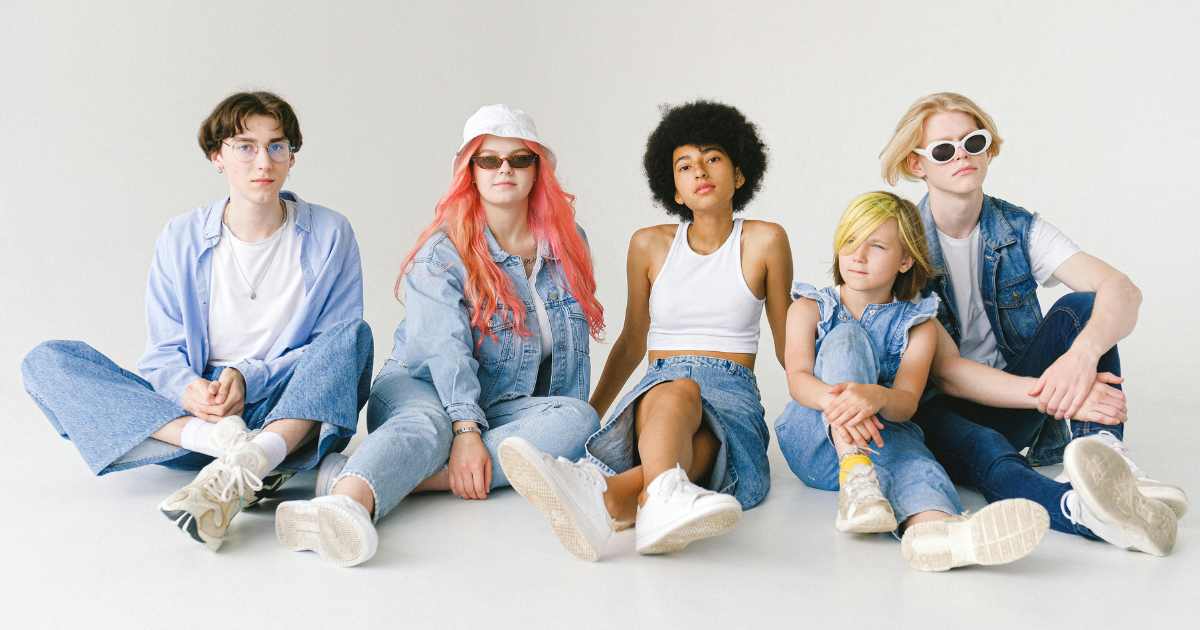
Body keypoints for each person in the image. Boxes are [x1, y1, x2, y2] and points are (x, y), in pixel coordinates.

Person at [21, 91, 372, 550]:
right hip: (203, 418)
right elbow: (162, 352)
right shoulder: (181, 237)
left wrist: (249, 376)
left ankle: (252, 460)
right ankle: (236, 452)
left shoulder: (330, 233)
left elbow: (332, 345)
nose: (262, 160)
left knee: (354, 337)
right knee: (46, 361)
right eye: (244, 146)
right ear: (217, 157)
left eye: (276, 146)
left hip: (290, 409)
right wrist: (189, 389)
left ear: (290, 157)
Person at [275, 104, 604, 567]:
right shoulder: (444, 252)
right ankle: (343, 504)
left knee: (580, 420)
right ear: (469, 171)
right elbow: (443, 353)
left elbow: (568, 360)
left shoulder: (569, 243)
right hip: (420, 384)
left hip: (501, 402)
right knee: (430, 427)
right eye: (488, 159)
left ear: (537, 169)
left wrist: (564, 442)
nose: (504, 169)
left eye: (519, 158)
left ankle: (374, 473)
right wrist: (466, 430)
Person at [880, 92, 1184, 556]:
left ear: (987, 149)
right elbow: (947, 373)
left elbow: (1124, 290)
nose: (962, 155)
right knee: (991, 457)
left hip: (1021, 399)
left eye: (973, 141)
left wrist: (1079, 362)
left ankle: (1104, 455)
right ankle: (1093, 516)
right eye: (944, 149)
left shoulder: (1018, 227)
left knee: (1084, 305)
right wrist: (1056, 393)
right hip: (941, 411)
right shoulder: (905, 248)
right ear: (918, 165)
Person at [499, 100, 792, 561]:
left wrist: (825, 406)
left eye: (713, 157)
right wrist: (588, 417)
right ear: (673, 189)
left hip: (732, 392)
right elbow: (634, 341)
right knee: (676, 389)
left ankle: (604, 494)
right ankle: (652, 502)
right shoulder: (649, 245)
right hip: (659, 388)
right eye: (685, 164)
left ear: (739, 174)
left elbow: (787, 340)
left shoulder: (765, 240)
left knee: (693, 429)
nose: (700, 170)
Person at [775, 191, 1049, 571]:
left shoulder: (918, 324)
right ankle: (855, 472)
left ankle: (938, 533)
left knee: (916, 464)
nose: (858, 254)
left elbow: (905, 402)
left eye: (877, 246)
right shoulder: (810, 307)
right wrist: (842, 399)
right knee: (847, 338)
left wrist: (875, 397)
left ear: (906, 260)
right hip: (815, 439)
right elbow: (798, 379)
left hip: (885, 434)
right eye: (851, 240)